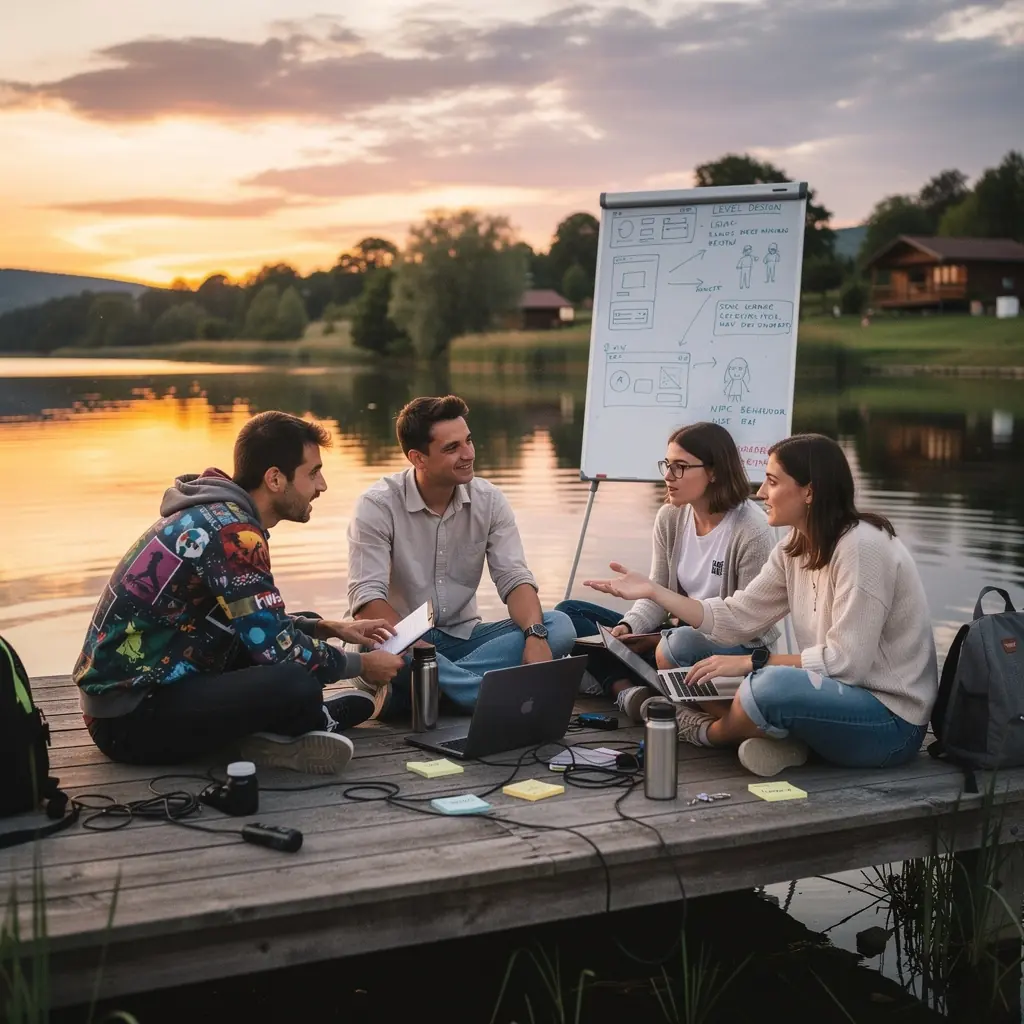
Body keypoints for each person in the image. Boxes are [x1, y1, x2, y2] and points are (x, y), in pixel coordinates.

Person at [585, 433, 938, 778]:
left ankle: (710, 732)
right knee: (680, 646)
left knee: (769, 686)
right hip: (831, 697)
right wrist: (655, 592)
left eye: (772, 481)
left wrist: (750, 662)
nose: (760, 493)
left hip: (890, 723)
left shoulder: (862, 547)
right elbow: (736, 616)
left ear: (809, 491)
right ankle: (776, 739)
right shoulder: (795, 548)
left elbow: (846, 665)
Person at [74, 411, 405, 774]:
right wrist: (362, 665)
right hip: (130, 720)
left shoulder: (217, 514)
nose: (322, 485)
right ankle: (303, 723)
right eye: (313, 473)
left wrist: (328, 628)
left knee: (306, 625)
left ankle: (273, 733)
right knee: (295, 681)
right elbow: (275, 649)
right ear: (275, 478)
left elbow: (250, 625)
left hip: (152, 689)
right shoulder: (235, 534)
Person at [346, 394, 575, 718]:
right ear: (418, 458)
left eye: (468, 441)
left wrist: (534, 636)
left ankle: (429, 692)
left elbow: (514, 579)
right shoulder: (377, 505)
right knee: (385, 653)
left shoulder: (490, 501)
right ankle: (484, 696)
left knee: (559, 625)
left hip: (462, 638)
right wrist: (418, 650)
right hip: (394, 641)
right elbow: (367, 600)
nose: (468, 454)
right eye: (452, 448)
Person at [556, 422, 777, 719]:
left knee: (678, 644)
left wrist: (659, 639)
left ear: (714, 471)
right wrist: (630, 628)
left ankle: (634, 679)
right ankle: (626, 689)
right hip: (674, 638)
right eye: (667, 465)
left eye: (680, 467)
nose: (668, 477)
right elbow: (658, 594)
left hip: (731, 650)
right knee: (569, 614)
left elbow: (748, 627)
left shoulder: (752, 530)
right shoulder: (671, 517)